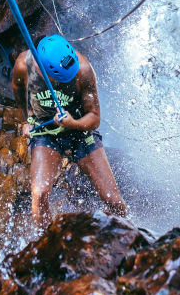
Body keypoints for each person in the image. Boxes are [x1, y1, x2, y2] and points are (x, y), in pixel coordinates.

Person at [12, 34, 127, 229]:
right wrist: (24, 121)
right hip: (46, 129)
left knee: (113, 201)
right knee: (39, 196)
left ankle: (127, 236)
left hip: (79, 130)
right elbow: (17, 87)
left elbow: (94, 117)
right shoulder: (24, 65)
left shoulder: (82, 69)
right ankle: (47, 243)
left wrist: (72, 123)